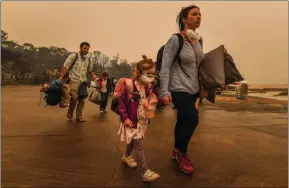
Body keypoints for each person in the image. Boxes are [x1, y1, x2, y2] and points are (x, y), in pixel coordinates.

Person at [159, 5, 204, 174]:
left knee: (183, 120)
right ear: (184, 19)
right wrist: (164, 91)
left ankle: (176, 150)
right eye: (194, 14)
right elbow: (165, 66)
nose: (198, 17)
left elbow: (200, 66)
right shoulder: (175, 40)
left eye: (200, 14)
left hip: (193, 89)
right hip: (178, 87)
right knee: (193, 119)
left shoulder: (198, 40)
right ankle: (182, 153)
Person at [117, 55, 160, 182]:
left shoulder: (148, 87)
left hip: (142, 121)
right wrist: (124, 118)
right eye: (148, 73)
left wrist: (163, 100)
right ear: (139, 73)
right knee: (139, 145)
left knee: (132, 141)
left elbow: (152, 98)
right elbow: (121, 104)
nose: (151, 76)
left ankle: (126, 156)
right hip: (131, 120)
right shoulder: (130, 86)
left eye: (153, 74)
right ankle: (145, 172)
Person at [59, 42, 98, 122]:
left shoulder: (88, 59)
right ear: (80, 48)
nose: (86, 50)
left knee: (82, 99)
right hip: (74, 80)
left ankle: (79, 116)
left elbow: (90, 70)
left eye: (87, 49)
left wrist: (94, 76)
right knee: (74, 97)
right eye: (84, 48)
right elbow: (65, 66)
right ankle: (70, 112)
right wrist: (61, 77)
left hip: (83, 81)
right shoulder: (74, 56)